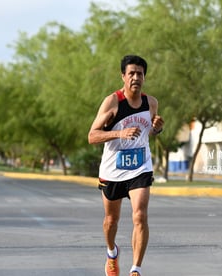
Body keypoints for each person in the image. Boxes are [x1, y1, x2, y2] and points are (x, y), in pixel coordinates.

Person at [88, 55, 164, 276]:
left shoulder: (151, 103)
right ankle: (112, 252)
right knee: (111, 221)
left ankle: (136, 269)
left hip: (140, 167)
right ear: (123, 76)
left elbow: (149, 132)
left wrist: (157, 128)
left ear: (144, 77)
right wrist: (119, 133)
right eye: (131, 73)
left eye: (139, 73)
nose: (135, 77)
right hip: (113, 170)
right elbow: (92, 136)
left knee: (140, 215)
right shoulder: (112, 102)